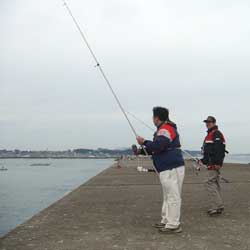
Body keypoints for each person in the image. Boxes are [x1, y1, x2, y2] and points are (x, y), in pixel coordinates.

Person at [136, 107, 185, 234]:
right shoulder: (164, 130)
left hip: (171, 167)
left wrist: (144, 142)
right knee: (168, 196)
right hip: (167, 167)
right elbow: (157, 148)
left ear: (156, 118)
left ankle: (173, 224)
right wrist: (141, 150)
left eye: (153, 117)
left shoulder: (166, 129)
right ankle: (166, 220)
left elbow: (159, 146)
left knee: (173, 196)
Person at [199, 116, 227, 216]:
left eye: (209, 122)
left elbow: (219, 150)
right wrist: (202, 160)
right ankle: (218, 206)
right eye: (206, 122)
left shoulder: (216, 134)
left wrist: (218, 163)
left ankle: (216, 206)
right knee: (214, 184)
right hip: (210, 162)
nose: (207, 124)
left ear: (214, 122)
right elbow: (208, 152)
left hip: (214, 164)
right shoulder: (210, 134)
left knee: (209, 183)